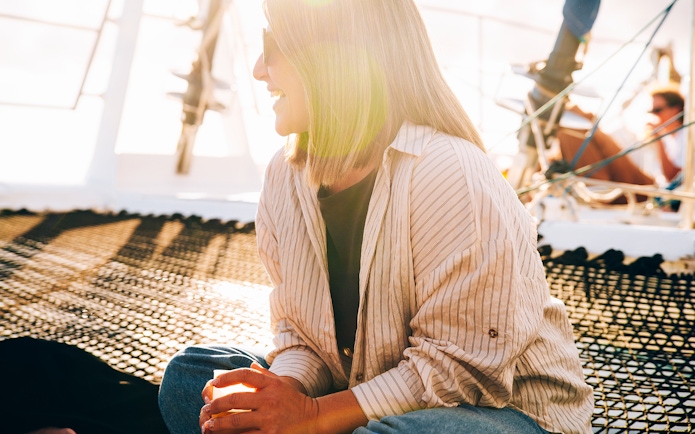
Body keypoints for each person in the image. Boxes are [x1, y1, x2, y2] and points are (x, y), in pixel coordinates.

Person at [157, 1, 594, 433]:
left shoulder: (447, 168)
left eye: (273, 47)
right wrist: (280, 394)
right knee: (192, 378)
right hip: (359, 391)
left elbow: (459, 370)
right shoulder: (285, 175)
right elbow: (302, 337)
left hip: (501, 412)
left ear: (332, 58)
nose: (258, 69)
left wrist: (310, 418)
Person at [555, 86, 686, 192]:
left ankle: (573, 113)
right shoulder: (669, 139)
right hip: (652, 189)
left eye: (657, 110)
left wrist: (658, 139)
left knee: (588, 130)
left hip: (654, 192)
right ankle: (575, 116)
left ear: (676, 110)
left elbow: (672, 177)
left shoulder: (687, 137)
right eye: (651, 111)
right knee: (592, 134)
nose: (653, 116)